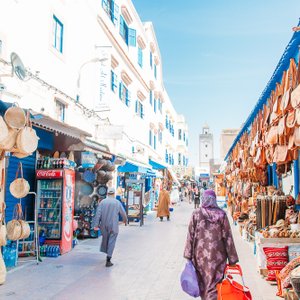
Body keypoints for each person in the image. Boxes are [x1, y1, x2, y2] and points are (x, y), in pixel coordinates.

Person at [184, 189, 239, 299]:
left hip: (200, 257)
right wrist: (232, 259)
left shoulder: (196, 214)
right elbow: (228, 237)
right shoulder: (221, 214)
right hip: (218, 256)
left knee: (203, 283)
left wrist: (188, 255)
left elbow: (190, 235)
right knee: (214, 284)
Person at [92, 187, 127, 267]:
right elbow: (123, 212)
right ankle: (108, 259)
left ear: (107, 193)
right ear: (114, 194)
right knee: (112, 241)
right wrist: (125, 220)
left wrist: (96, 225)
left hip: (103, 225)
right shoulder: (117, 202)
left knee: (106, 239)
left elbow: (98, 214)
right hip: (114, 225)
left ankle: (107, 253)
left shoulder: (103, 202)